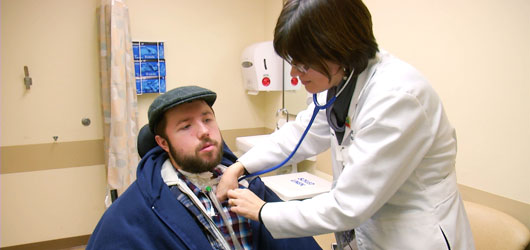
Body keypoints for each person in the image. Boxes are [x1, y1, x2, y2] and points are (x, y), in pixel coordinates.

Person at [217, 0, 475, 249]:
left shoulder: (396, 98)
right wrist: (240, 166)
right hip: (373, 232)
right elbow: (301, 133)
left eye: (303, 64)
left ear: (339, 49)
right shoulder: (340, 82)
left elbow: (348, 206)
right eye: (292, 62)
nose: (295, 74)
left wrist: (263, 211)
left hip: (414, 237)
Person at [87, 86, 321, 250]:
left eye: (207, 119)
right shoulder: (136, 210)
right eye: (186, 126)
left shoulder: (248, 185)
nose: (204, 131)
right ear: (163, 143)